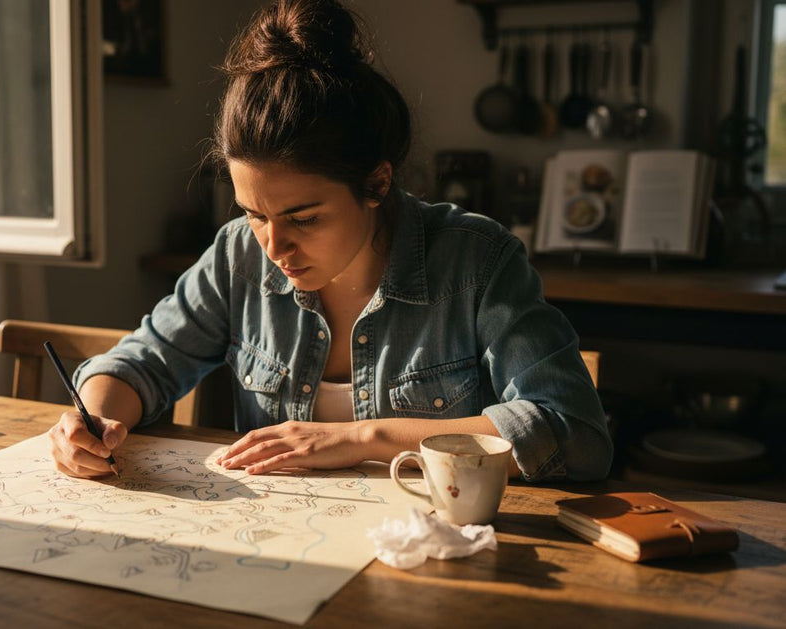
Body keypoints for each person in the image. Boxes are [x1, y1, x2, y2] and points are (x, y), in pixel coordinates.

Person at [49, 0, 612, 482]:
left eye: (305, 218)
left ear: (376, 184)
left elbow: (574, 431)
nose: (274, 246)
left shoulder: (476, 261)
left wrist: (363, 438)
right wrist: (92, 418)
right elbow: (143, 361)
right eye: (254, 214)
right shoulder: (237, 255)